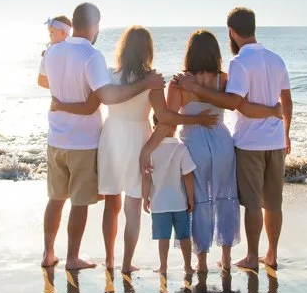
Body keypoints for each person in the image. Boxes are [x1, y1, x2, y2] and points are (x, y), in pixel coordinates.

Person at [49, 26, 216, 273]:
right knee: (133, 207)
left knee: (112, 204)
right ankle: (126, 264)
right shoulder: (154, 80)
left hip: (112, 137)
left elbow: (95, 102)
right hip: (139, 138)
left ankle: (110, 261)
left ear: (123, 48)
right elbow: (165, 117)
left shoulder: (109, 74)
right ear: (148, 50)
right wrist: (196, 120)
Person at [39, 3, 164, 270]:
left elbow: (46, 82)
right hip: (85, 142)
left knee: (58, 198)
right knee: (82, 203)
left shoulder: (52, 51)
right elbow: (103, 98)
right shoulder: (93, 57)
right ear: (94, 26)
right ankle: (78, 258)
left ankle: (50, 254)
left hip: (61, 139)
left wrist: (61, 101)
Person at [146, 29, 282, 273]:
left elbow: (169, 121)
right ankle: (227, 258)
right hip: (222, 142)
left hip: (194, 144)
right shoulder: (224, 79)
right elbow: (238, 105)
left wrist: (150, 147)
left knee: (198, 201)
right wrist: (273, 111)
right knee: (225, 197)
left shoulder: (179, 83)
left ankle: (200, 262)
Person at [173, 8, 292, 272]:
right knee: (267, 202)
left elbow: (237, 104)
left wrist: (195, 91)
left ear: (232, 32)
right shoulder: (274, 60)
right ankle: (265, 255)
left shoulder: (236, 64)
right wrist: (284, 129)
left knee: (234, 202)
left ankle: (231, 258)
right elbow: (286, 100)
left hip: (242, 143)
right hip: (261, 142)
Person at [142, 117, 195, 279]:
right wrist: (191, 199)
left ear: (154, 127)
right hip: (179, 202)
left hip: (159, 203)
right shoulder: (180, 148)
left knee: (163, 238)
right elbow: (188, 176)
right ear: (176, 127)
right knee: (184, 236)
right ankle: (188, 267)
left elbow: (146, 178)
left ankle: (163, 267)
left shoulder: (150, 150)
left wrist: (145, 199)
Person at [37, 15, 71, 89]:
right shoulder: (76, 47)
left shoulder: (50, 51)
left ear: (63, 32)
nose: (49, 35)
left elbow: (41, 82)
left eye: (52, 31)